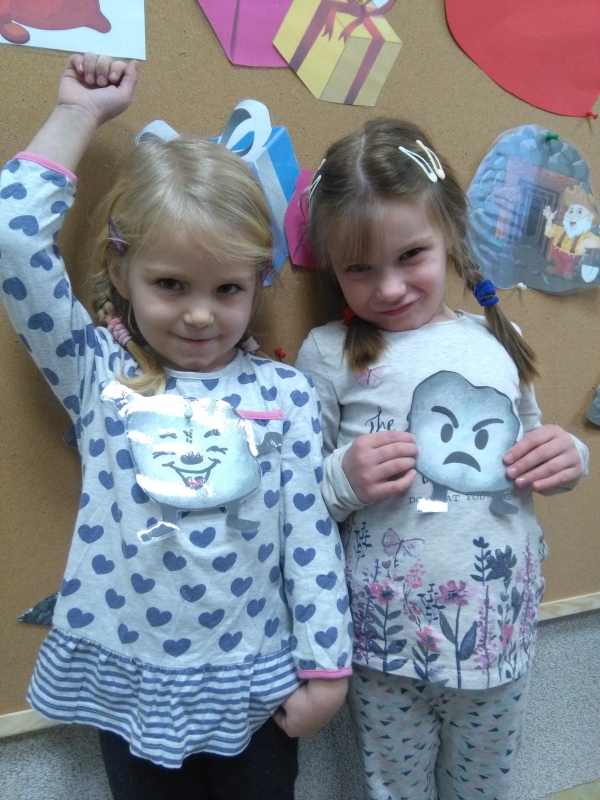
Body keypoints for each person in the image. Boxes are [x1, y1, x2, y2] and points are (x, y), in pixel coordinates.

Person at [0, 53, 352, 800]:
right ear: (120, 270)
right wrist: (76, 115)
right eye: (170, 284)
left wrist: (327, 669)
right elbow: (14, 240)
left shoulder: (284, 393)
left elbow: (310, 536)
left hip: (256, 688)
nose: (199, 314)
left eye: (227, 288)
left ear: (258, 281)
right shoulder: (98, 373)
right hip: (132, 688)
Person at [296, 118, 588, 800]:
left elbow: (531, 444)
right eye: (359, 268)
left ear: (450, 234)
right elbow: (297, 500)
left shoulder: (497, 338)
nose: (389, 288)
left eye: (411, 256)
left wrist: (570, 455)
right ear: (333, 267)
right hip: (385, 640)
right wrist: (342, 479)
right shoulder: (326, 354)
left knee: (482, 787)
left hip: (495, 627)